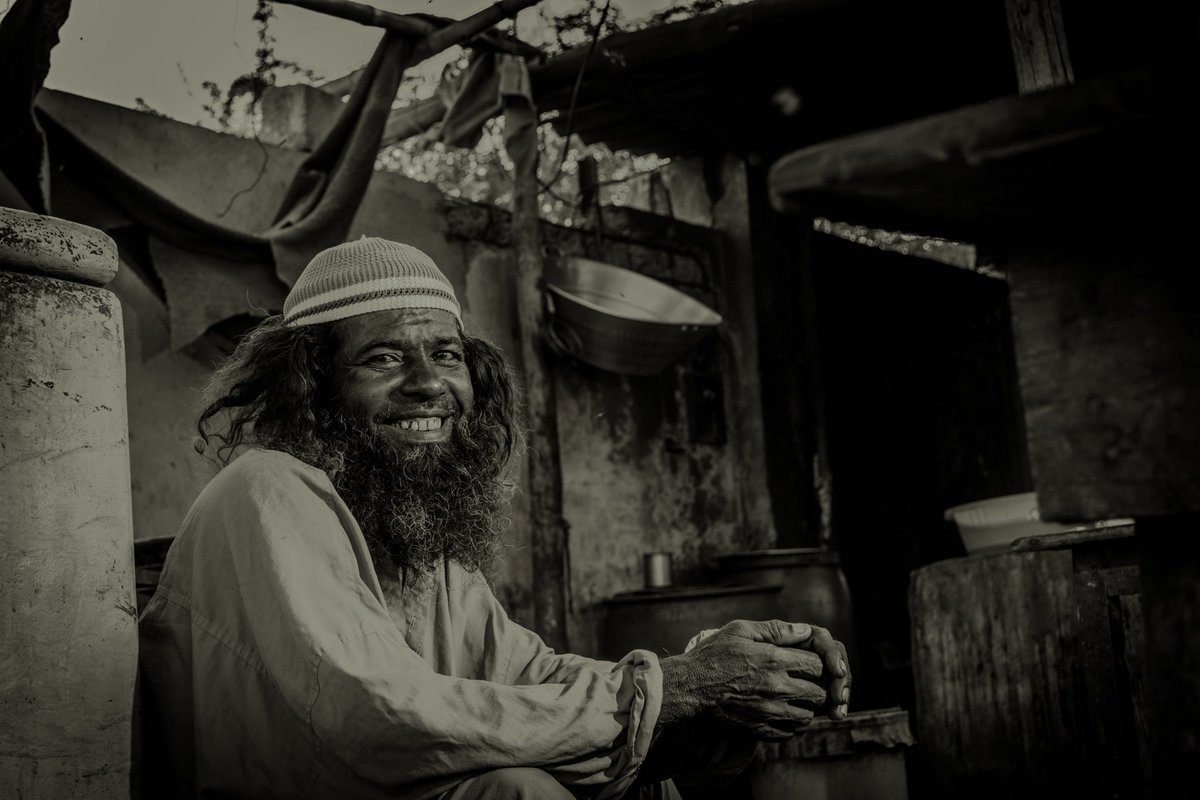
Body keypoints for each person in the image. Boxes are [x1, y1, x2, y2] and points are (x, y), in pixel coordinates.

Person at [138, 237, 852, 799]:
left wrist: (708, 687)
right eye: (383, 358)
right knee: (513, 789)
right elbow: (380, 718)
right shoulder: (266, 490)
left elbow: (529, 680)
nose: (428, 385)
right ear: (309, 386)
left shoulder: (418, 540)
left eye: (445, 355)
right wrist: (673, 688)